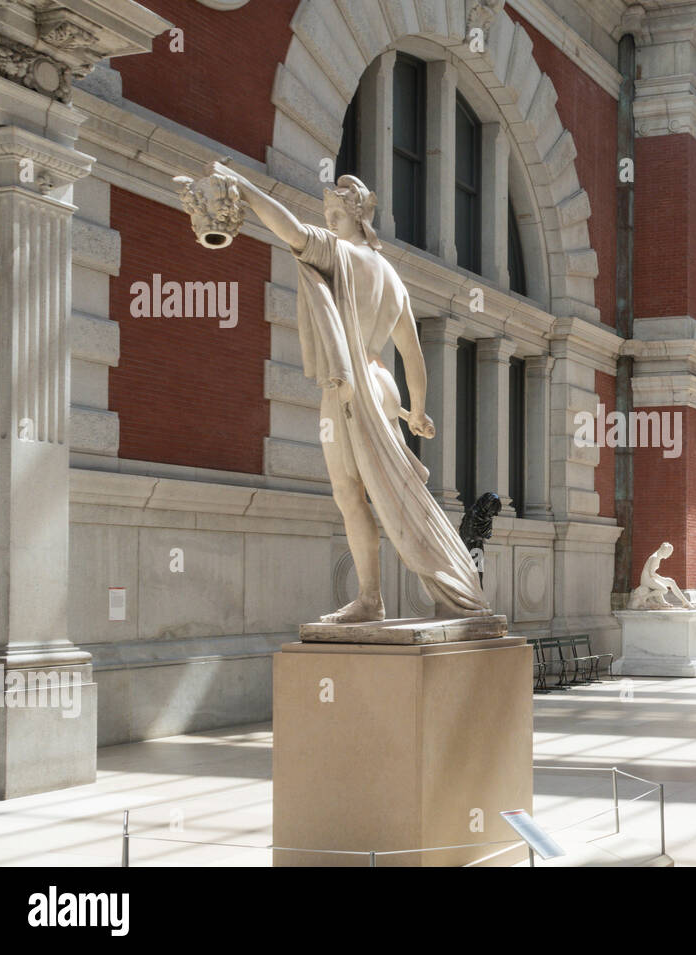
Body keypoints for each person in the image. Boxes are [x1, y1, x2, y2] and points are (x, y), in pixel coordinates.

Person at [204, 162, 488, 622]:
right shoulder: (392, 279)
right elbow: (413, 355)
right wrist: (416, 410)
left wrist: (246, 189)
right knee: (393, 492)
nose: (329, 219)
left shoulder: (340, 253)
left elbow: (293, 233)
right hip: (383, 383)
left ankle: (372, 599)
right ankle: (443, 582)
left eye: (335, 213)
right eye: (328, 213)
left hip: (352, 387)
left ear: (358, 215)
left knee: (350, 492)